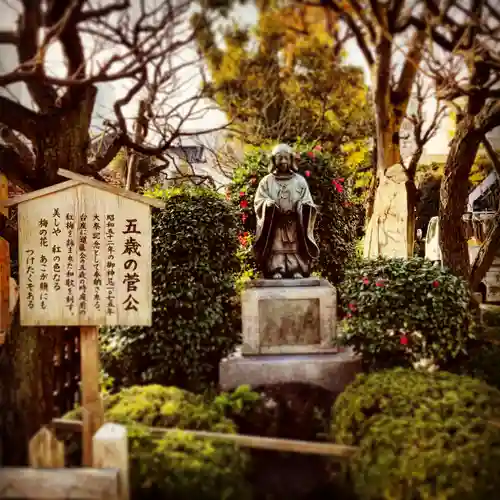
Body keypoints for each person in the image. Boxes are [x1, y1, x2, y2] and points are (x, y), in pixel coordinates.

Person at [253, 143, 319, 279]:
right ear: (273, 160)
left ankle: (297, 269)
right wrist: (267, 204)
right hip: (275, 223)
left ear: (291, 160)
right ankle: (276, 269)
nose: (283, 161)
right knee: (276, 247)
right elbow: (258, 201)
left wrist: (302, 206)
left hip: (294, 223)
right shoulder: (266, 181)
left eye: (286, 158)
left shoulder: (300, 181)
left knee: (295, 247)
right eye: (279, 158)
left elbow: (308, 201)